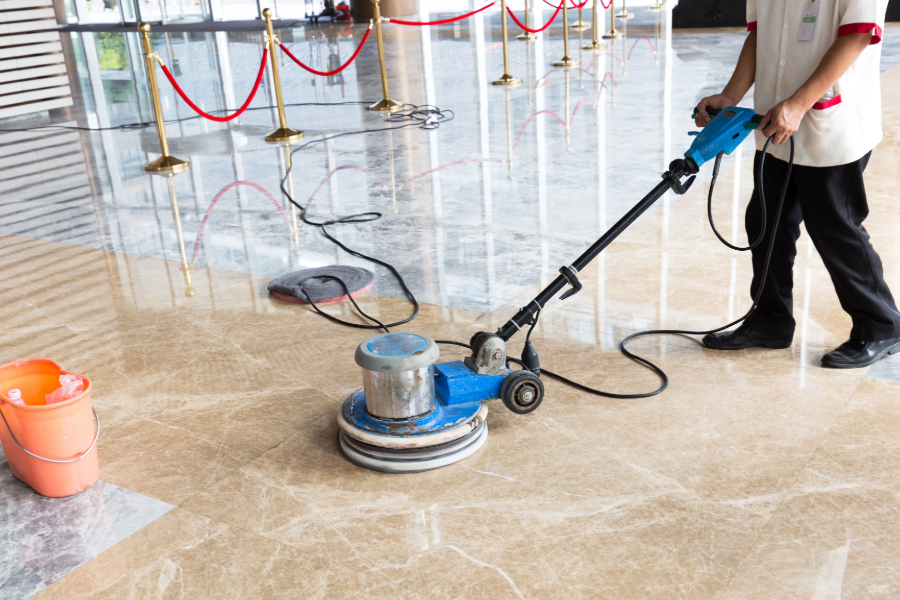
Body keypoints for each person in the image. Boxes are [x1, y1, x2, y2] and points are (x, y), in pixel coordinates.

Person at [695, 0, 900, 368]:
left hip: (830, 123)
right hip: (777, 123)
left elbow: (857, 36)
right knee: (766, 221)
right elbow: (761, 36)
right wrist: (731, 96)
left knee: (835, 226)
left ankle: (881, 325)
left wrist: (800, 103)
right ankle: (770, 321)